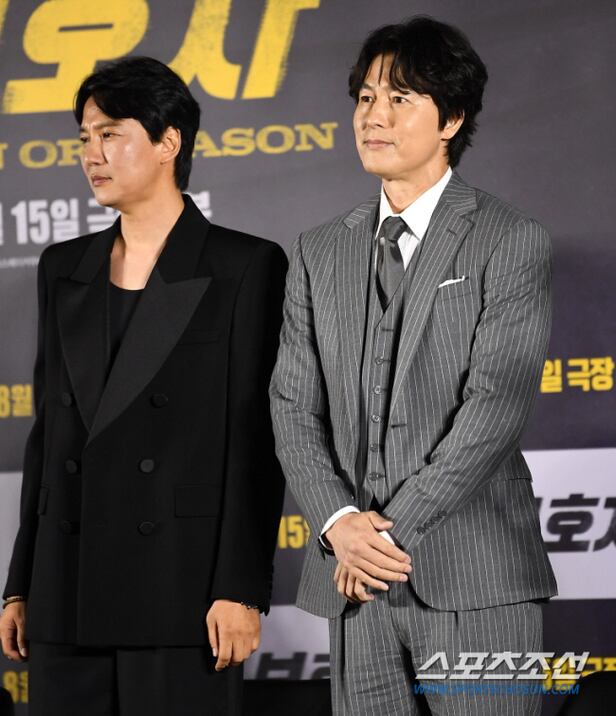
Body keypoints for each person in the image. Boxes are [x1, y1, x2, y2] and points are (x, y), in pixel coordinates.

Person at [270, 16, 557, 715]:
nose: (374, 116)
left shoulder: (510, 239)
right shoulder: (317, 251)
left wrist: (384, 537)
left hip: (477, 578)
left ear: (451, 118)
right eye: (367, 98)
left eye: (400, 99)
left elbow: (494, 409)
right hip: (355, 583)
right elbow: (292, 406)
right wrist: (340, 523)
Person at [0, 56, 287, 716]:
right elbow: (49, 438)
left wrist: (241, 588)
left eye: (111, 134)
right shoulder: (62, 267)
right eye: (84, 137)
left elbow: (256, 441)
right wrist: (21, 584)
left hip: (181, 589)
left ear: (167, 142)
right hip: (65, 586)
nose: (91, 154)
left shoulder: (244, 265)